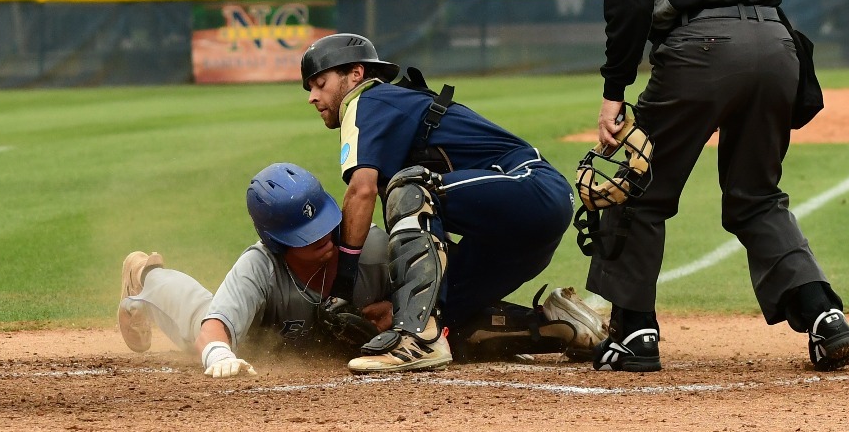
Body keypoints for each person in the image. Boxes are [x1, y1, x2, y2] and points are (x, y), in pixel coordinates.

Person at [580, 0, 849, 375]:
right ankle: (822, 314)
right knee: (755, 195)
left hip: (703, 49)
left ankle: (634, 332)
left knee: (637, 186)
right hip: (777, 43)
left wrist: (614, 90)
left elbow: (628, 6)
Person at [301, 32, 600, 373]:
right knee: (447, 323)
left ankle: (419, 339)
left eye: (320, 83)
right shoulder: (387, 116)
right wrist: (393, 309)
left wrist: (342, 283)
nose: (312, 97)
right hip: (519, 232)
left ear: (355, 74)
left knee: (411, 189)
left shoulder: (369, 100)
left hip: (531, 187)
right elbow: (422, 233)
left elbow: (362, 190)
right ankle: (561, 325)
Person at [117, 163, 394, 374]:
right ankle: (145, 276)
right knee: (199, 315)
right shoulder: (259, 266)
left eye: (323, 223)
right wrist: (219, 355)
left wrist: (396, 313)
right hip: (252, 337)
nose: (322, 236)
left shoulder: (374, 249)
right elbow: (212, 330)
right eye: (306, 234)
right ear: (274, 240)